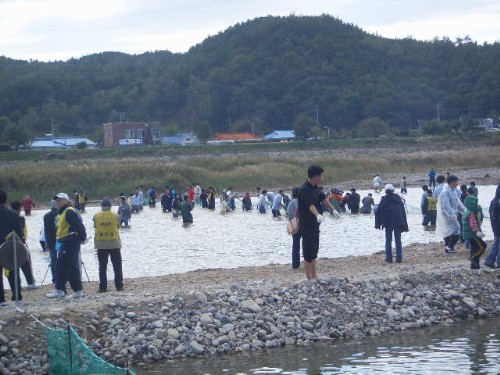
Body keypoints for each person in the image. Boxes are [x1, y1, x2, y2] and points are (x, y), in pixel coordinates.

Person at [298, 165, 335, 281]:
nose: (321, 177)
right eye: (320, 175)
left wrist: (333, 210)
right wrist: (317, 214)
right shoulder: (304, 189)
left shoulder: (316, 188)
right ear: (315, 176)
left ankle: (314, 275)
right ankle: (308, 277)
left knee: (314, 249)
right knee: (308, 249)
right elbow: (310, 205)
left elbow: (324, 199)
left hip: (315, 224)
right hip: (306, 223)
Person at [46, 193, 87, 299]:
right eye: (56, 200)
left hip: (70, 241)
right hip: (65, 242)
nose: (58, 202)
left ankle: (59, 289)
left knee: (60, 266)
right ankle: (78, 291)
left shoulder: (69, 211)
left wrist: (82, 238)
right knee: (72, 268)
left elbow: (79, 226)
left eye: (60, 200)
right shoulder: (62, 212)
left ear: (66, 201)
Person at [93, 198, 123, 292]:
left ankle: (103, 287)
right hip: (114, 243)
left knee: (102, 266)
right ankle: (119, 286)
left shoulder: (96, 216)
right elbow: (118, 226)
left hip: (101, 244)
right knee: (117, 266)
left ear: (101, 206)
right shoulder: (116, 216)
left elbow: (95, 226)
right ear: (110, 206)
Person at [0, 189, 25, 305]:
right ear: (5, 200)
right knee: (14, 272)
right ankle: (17, 296)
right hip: (10, 247)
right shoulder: (14, 214)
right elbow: (20, 234)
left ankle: (1, 299)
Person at [375, 184, 409, 263]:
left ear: (386, 191)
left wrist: (379, 223)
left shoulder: (384, 199)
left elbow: (379, 211)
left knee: (388, 240)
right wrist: (404, 223)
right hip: (398, 222)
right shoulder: (398, 199)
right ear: (393, 190)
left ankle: (389, 258)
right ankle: (399, 258)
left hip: (388, 223)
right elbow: (402, 212)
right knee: (398, 240)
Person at [10, 201, 38, 288]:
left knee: (13, 266)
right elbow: (22, 232)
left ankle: (16, 285)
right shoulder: (20, 218)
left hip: (10, 244)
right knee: (26, 264)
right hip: (21, 244)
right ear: (19, 208)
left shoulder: (7, 217)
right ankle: (30, 282)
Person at [436, 175, 466, 254]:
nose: (457, 184)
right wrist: (451, 214)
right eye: (456, 182)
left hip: (451, 215)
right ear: (452, 182)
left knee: (449, 231)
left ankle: (448, 248)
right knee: (456, 229)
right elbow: (445, 206)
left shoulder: (453, 191)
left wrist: (465, 211)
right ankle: (450, 247)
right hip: (447, 215)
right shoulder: (445, 192)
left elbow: (458, 204)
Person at [462, 194, 487, 272]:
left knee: (474, 248)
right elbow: (473, 224)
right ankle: (472, 258)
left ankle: (475, 266)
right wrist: (477, 232)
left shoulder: (467, 212)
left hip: (469, 235)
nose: (477, 205)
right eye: (475, 203)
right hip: (473, 234)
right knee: (482, 247)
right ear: (471, 204)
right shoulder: (471, 213)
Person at [43, 199, 59, 285]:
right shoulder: (61, 214)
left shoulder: (46, 216)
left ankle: (54, 279)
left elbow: (45, 231)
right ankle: (63, 278)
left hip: (50, 241)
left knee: (53, 260)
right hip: (60, 240)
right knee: (62, 260)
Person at [485, 184, 500, 269]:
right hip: (498, 226)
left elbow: (492, 215)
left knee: (496, 243)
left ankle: (489, 261)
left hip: (495, 227)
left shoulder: (494, 200)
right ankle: (498, 262)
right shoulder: (497, 201)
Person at [287, 187, 301, 269]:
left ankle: (295, 264)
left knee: (295, 245)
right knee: (306, 244)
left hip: (294, 225)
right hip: (303, 225)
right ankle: (308, 262)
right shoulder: (303, 201)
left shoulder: (291, 203)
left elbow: (289, 215)